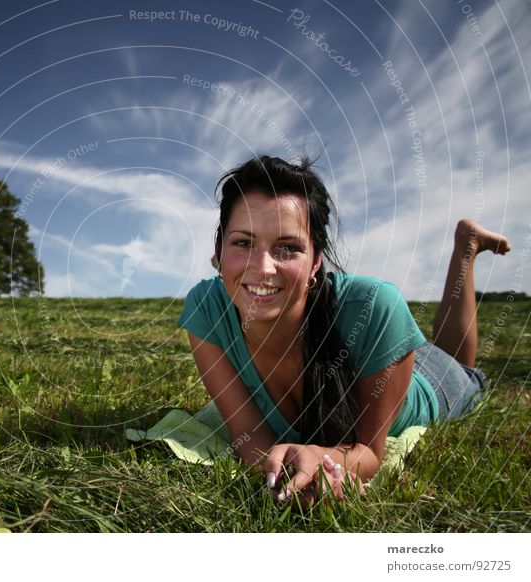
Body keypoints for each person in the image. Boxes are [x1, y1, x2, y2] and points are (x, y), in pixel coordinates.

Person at [179, 155, 511, 506]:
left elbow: (368, 452)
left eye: (287, 248)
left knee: (461, 365)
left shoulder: (377, 305)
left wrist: (328, 461)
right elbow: (249, 439)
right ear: (218, 254)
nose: (263, 268)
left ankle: (466, 248)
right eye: (243, 243)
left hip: (429, 381)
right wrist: (288, 473)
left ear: (316, 262)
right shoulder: (206, 310)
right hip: (384, 351)